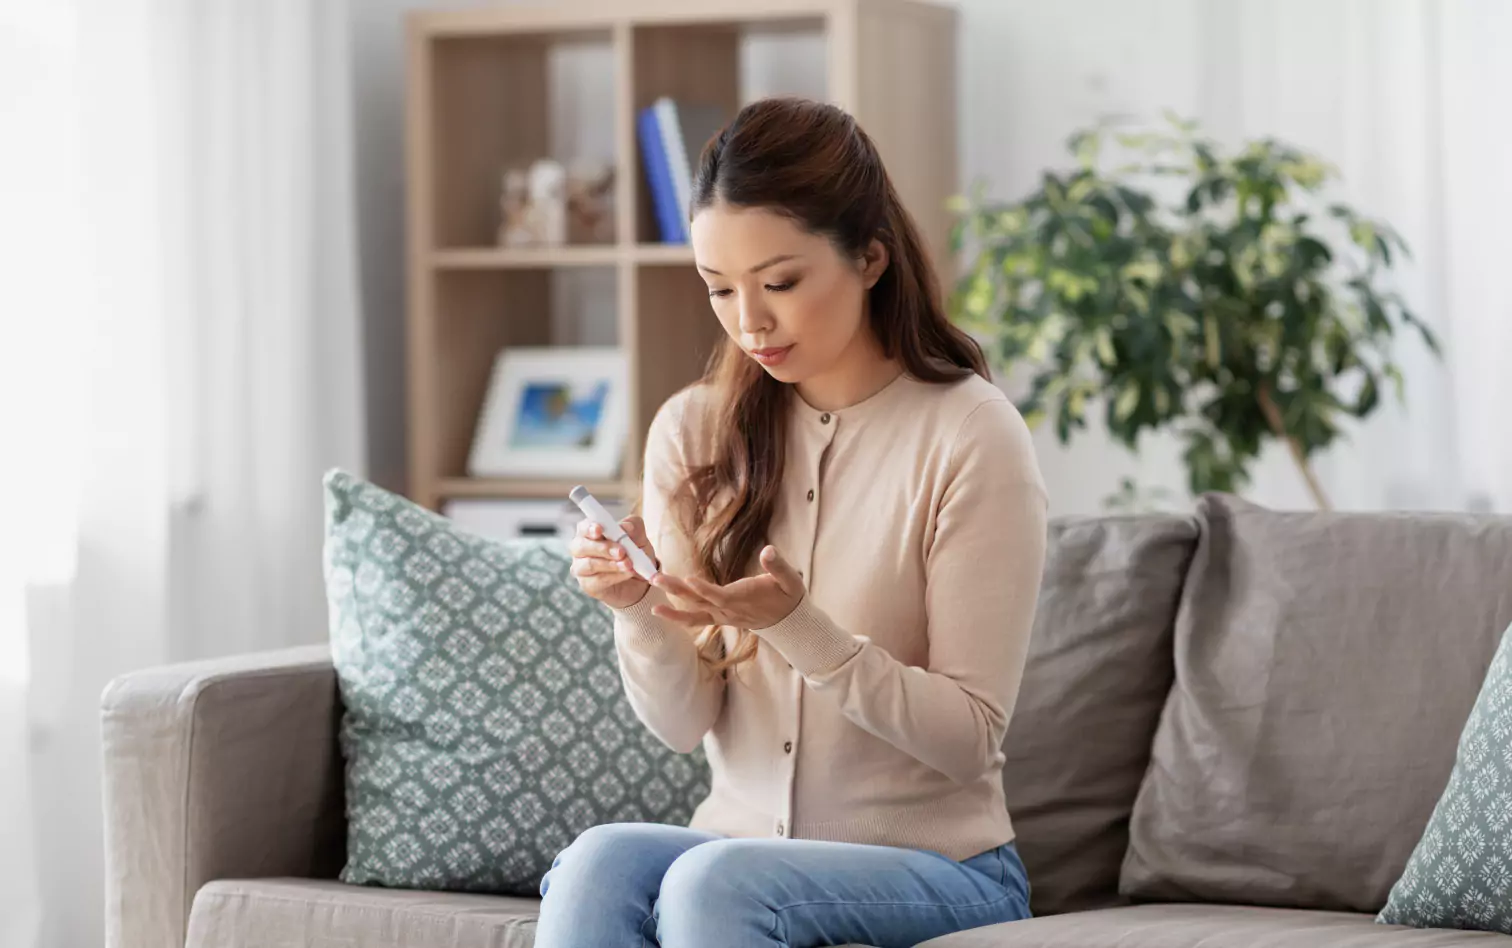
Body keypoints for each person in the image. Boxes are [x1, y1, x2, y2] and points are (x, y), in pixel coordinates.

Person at [538, 96, 1048, 948]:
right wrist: (635, 607)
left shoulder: (970, 433)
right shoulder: (693, 434)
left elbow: (968, 741)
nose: (750, 322)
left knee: (716, 877)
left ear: (871, 259)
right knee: (598, 862)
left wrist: (801, 631)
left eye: (779, 283)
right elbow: (679, 725)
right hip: (733, 851)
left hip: (945, 872)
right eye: (719, 290)